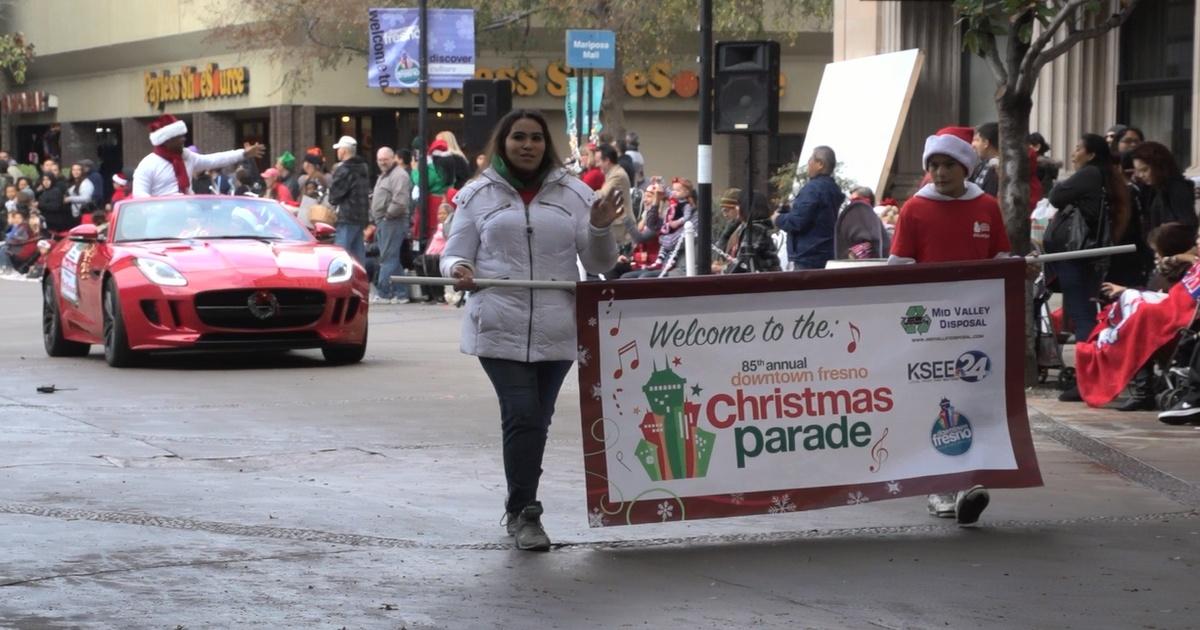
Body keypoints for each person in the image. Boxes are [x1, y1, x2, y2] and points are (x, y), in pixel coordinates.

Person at [441, 109, 620, 551]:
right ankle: (526, 513)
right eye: (518, 137)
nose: (527, 145)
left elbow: (600, 264)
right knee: (521, 412)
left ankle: (518, 504)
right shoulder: (476, 194)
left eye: (536, 138)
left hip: (559, 326)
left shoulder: (576, 194)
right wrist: (460, 268)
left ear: (546, 144)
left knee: (536, 420)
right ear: (502, 143)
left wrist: (599, 228)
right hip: (497, 323)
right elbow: (453, 253)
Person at [888, 126, 1011, 526]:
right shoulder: (914, 209)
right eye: (934, 165)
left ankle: (968, 480)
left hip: (978, 324)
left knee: (974, 399)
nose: (940, 173)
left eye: (948, 165)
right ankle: (938, 484)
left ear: (965, 168)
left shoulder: (988, 207)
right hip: (929, 328)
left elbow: (1001, 259)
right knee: (935, 400)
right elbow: (899, 270)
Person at [1048, 134, 1132, 361]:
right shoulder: (1106, 175)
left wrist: (1068, 185)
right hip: (1088, 255)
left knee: (1082, 314)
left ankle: (1087, 370)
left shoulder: (1090, 173)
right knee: (1084, 312)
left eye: (1078, 148)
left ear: (1091, 154)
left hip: (1077, 254)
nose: (1074, 154)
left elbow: (1055, 196)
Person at [132, 114, 265, 197]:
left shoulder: (187, 157)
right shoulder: (148, 164)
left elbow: (214, 160)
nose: (184, 140)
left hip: (188, 220)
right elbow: (139, 196)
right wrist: (162, 207)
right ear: (167, 141)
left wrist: (243, 153)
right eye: (179, 137)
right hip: (160, 227)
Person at [774, 145, 844, 270]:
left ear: (820, 164)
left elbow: (798, 221)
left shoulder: (812, 189)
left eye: (811, 159)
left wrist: (778, 218)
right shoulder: (833, 188)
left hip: (807, 256)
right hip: (826, 252)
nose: (808, 163)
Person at [370, 146, 413, 304]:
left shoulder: (399, 175)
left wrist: (388, 215)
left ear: (393, 157)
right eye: (380, 160)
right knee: (392, 257)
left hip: (393, 221)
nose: (382, 162)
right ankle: (402, 294)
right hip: (386, 220)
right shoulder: (386, 175)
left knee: (388, 258)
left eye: (385, 159)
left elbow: (400, 201)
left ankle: (384, 293)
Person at [1131, 141, 1196, 231]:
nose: (1141, 175)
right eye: (1138, 171)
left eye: (1145, 170)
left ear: (1158, 166)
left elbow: (1187, 223)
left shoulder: (1176, 188)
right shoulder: (1152, 189)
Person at [326, 136, 371, 264]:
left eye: (339, 149)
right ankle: (360, 281)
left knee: (341, 254)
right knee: (358, 256)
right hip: (360, 217)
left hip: (346, 216)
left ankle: (340, 282)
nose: (337, 152)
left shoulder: (345, 169)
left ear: (344, 151)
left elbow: (334, 197)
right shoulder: (363, 168)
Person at [722, 189, 781, 273]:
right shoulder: (752, 227)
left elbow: (743, 262)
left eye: (738, 205)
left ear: (746, 208)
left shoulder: (755, 230)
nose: (737, 208)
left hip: (762, 280)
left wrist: (720, 268)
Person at [835, 186, 890, 260]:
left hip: (858, 266)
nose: (852, 204)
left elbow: (869, 244)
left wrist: (852, 256)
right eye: (851, 201)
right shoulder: (871, 218)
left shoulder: (862, 214)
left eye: (855, 200)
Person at [596, 144, 631, 252]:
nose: (597, 165)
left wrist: (582, 194)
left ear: (607, 160)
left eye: (599, 161)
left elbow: (602, 195)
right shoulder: (613, 173)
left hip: (620, 226)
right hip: (617, 223)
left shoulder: (617, 175)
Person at [970, 122, 1000, 197]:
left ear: (986, 143)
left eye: (976, 140)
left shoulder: (1002, 169)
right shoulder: (980, 165)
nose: (972, 145)